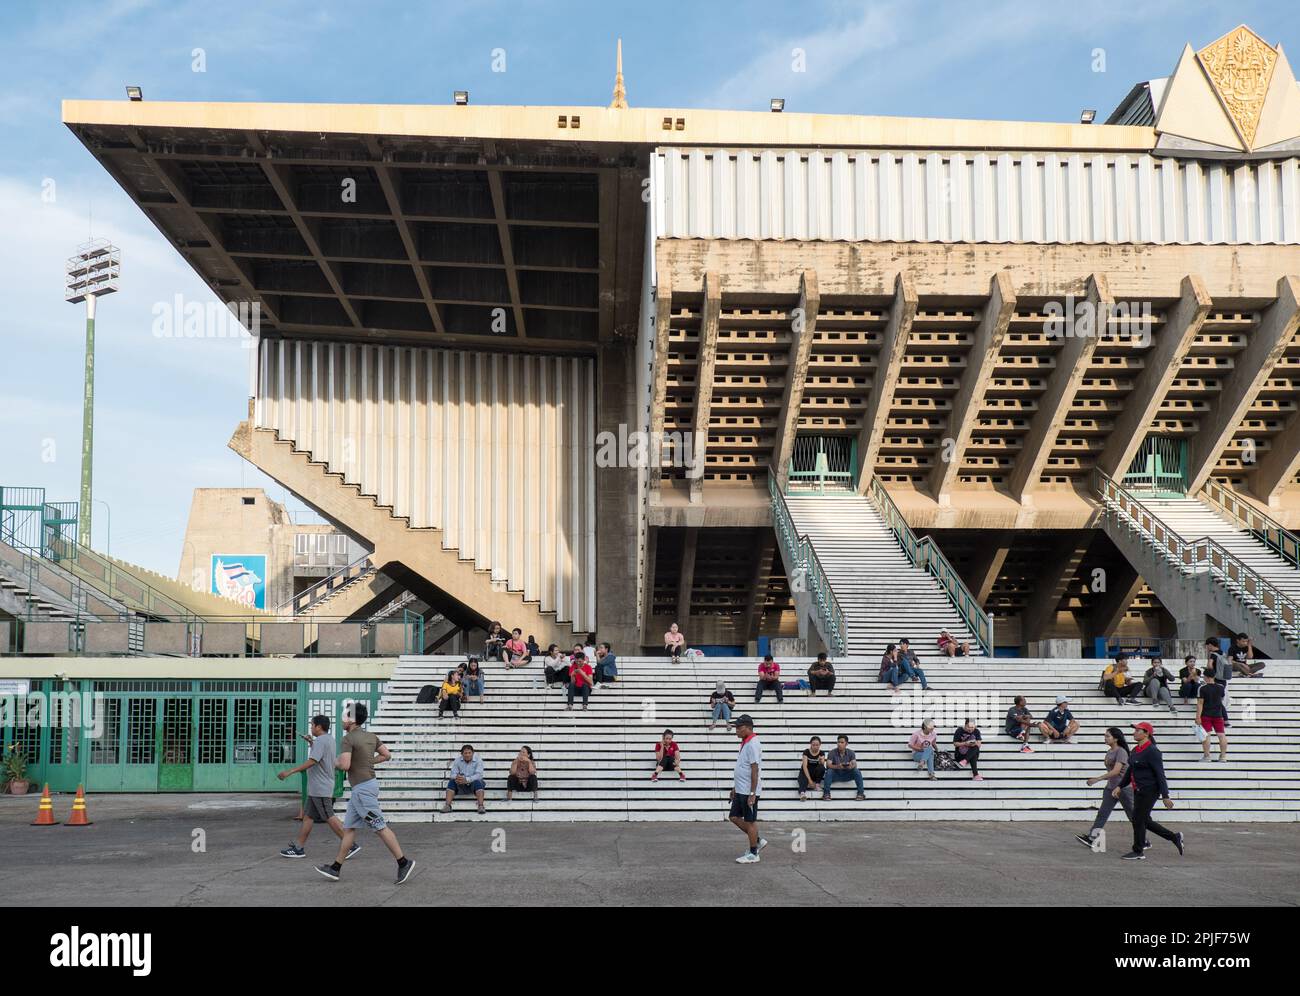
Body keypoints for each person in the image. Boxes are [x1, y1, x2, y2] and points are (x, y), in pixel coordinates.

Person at [315, 703, 415, 884]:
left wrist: (333, 762)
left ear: (351, 719)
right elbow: (386, 755)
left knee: (380, 827)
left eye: (344, 716)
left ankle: (403, 862)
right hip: (365, 787)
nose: (341, 719)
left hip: (362, 790)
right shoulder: (371, 736)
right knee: (349, 829)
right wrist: (367, 763)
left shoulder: (348, 739)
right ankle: (336, 867)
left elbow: (344, 765)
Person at [277, 715, 359, 860]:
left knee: (329, 816)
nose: (311, 727)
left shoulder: (321, 741)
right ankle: (299, 848)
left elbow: (313, 761)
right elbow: (322, 756)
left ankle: (350, 844)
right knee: (308, 817)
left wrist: (290, 771)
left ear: (318, 727)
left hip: (320, 787)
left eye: (312, 725)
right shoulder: (328, 739)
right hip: (317, 787)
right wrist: (311, 743)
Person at [1120, 721, 1184, 861]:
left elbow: (1160, 774)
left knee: (1138, 819)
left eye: (1138, 730)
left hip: (1150, 790)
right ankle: (1174, 837)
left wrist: (1165, 796)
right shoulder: (1135, 750)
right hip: (1138, 789)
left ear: (1147, 733)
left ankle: (1138, 851)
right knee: (1144, 820)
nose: (1134, 732)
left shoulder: (1153, 751)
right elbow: (1130, 770)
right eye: (1135, 730)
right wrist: (1120, 786)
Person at [1075, 727, 1135, 848]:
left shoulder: (1121, 751)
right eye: (1105, 735)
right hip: (1111, 788)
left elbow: (1116, 771)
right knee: (1103, 813)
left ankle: (1143, 839)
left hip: (1124, 788)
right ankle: (1092, 837)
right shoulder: (1110, 751)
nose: (1105, 738)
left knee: (1132, 815)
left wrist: (1097, 779)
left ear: (1116, 738)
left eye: (1108, 736)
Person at [729, 715, 766, 863]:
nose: (736, 730)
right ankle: (757, 840)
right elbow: (742, 768)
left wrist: (752, 793)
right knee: (733, 817)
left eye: (739, 727)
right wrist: (735, 787)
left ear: (748, 728)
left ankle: (753, 854)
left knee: (750, 822)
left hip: (748, 791)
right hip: (741, 789)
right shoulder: (746, 742)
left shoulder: (753, 744)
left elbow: (754, 769)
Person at [442, 743, 487, 814]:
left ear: (473, 753)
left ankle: (481, 806)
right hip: (461, 783)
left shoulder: (478, 760)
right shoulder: (457, 760)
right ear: (462, 754)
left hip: (473, 783)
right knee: (452, 781)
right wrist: (458, 777)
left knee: (478, 781)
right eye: (465, 753)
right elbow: (452, 774)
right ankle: (448, 806)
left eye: (469, 753)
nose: (467, 755)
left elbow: (479, 775)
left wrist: (467, 779)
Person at [1195, 671, 1228, 763]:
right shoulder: (1221, 687)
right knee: (1221, 735)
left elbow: (1200, 703)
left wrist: (1198, 717)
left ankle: (1207, 756)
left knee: (1206, 735)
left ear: (1205, 677)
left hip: (1206, 714)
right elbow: (1221, 700)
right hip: (1218, 714)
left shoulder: (1202, 688)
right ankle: (1223, 756)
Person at [822, 734, 866, 799]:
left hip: (846, 774)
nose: (839, 744)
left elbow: (854, 764)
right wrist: (837, 766)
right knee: (829, 771)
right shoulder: (832, 752)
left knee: (856, 771)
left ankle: (860, 793)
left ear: (846, 744)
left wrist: (850, 766)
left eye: (842, 742)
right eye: (838, 742)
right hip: (835, 774)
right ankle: (826, 794)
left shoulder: (851, 752)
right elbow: (828, 765)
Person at [1204, 638, 1234, 727]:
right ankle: (1223, 720)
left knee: (1217, 701)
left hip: (1215, 679)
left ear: (1210, 645)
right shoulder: (1223, 653)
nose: (1206, 647)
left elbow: (1209, 665)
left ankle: (1226, 720)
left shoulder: (1213, 654)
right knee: (1218, 700)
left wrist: (1209, 673)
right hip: (1223, 680)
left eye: (1207, 645)